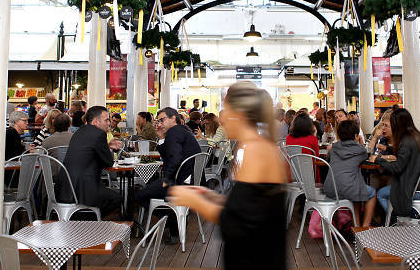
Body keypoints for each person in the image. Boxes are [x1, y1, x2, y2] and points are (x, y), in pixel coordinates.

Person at [168, 81, 286, 270]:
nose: (222, 120)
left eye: (226, 112)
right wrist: (211, 197)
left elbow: (236, 222)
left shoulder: (255, 151)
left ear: (238, 116)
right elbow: (251, 206)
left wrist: (194, 201)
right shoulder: (255, 146)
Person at [135, 107, 202, 243]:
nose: (160, 123)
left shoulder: (174, 132)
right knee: (155, 192)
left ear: (173, 118)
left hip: (180, 181)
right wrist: (161, 137)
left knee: (139, 196)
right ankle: (174, 220)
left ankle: (172, 221)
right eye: (158, 121)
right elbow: (170, 157)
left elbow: (175, 158)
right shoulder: (182, 131)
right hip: (191, 180)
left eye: (162, 120)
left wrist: (168, 179)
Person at [57, 106, 122, 217]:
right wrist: (110, 149)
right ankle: (91, 220)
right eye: (106, 120)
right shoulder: (99, 134)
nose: (109, 123)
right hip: (83, 190)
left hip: (65, 188)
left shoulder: (79, 132)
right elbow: (108, 163)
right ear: (96, 122)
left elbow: (89, 151)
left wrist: (106, 146)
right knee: (117, 198)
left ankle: (86, 219)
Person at [369, 108, 420, 219]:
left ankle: (398, 219)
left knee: (380, 194)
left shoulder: (407, 141)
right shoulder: (419, 136)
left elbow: (397, 167)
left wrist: (378, 160)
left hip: (417, 189)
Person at [324, 120, 376, 227]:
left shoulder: (333, 148)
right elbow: (366, 154)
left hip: (330, 189)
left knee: (355, 191)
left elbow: (328, 158)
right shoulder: (360, 150)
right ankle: (365, 227)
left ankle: (355, 227)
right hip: (348, 189)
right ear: (356, 136)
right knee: (372, 193)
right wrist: (361, 141)